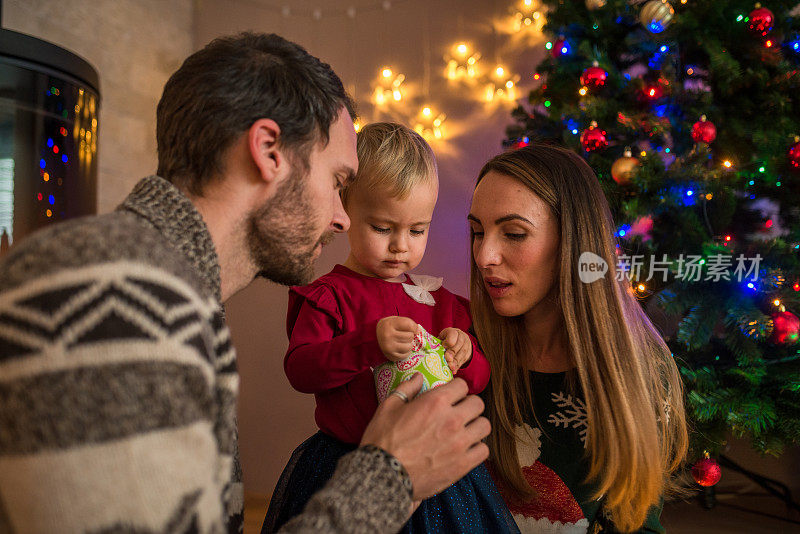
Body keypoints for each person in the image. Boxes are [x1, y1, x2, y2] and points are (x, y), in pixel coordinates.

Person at [0, 33, 491, 533]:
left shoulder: (167, 288)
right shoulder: (123, 299)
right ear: (269, 151)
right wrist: (392, 477)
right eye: (339, 182)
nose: (343, 218)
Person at [263, 122, 517, 533]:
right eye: (383, 228)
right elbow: (301, 369)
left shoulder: (441, 302)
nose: (401, 245)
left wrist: (466, 353)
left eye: (417, 230)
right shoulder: (329, 295)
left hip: (438, 472)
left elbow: (479, 380)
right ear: (346, 210)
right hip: (347, 467)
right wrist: (368, 344)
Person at [467, 144, 688, 533]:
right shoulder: (465, 349)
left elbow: (637, 521)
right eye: (477, 232)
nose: (485, 255)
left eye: (514, 234)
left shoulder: (641, 370)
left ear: (572, 241)